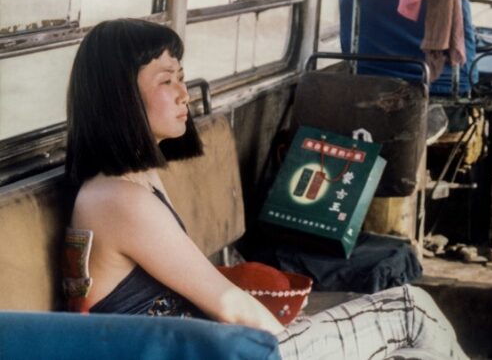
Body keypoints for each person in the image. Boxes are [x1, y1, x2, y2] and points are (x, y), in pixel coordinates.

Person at [65, 18, 468, 360]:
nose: (183, 94)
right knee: (412, 309)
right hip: (198, 350)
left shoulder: (133, 180)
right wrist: (295, 341)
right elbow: (228, 305)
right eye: (166, 81)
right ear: (121, 97)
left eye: (182, 79)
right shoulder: (119, 201)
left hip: (201, 343)